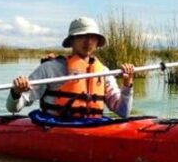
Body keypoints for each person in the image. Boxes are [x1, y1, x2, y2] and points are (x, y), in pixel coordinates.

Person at [7, 17, 135, 121]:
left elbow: (123, 112)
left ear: (97, 42)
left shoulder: (104, 72)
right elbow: (13, 108)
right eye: (82, 36)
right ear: (71, 41)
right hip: (57, 128)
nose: (88, 41)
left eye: (93, 37)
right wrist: (16, 92)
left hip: (91, 127)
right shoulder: (50, 68)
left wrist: (127, 85)